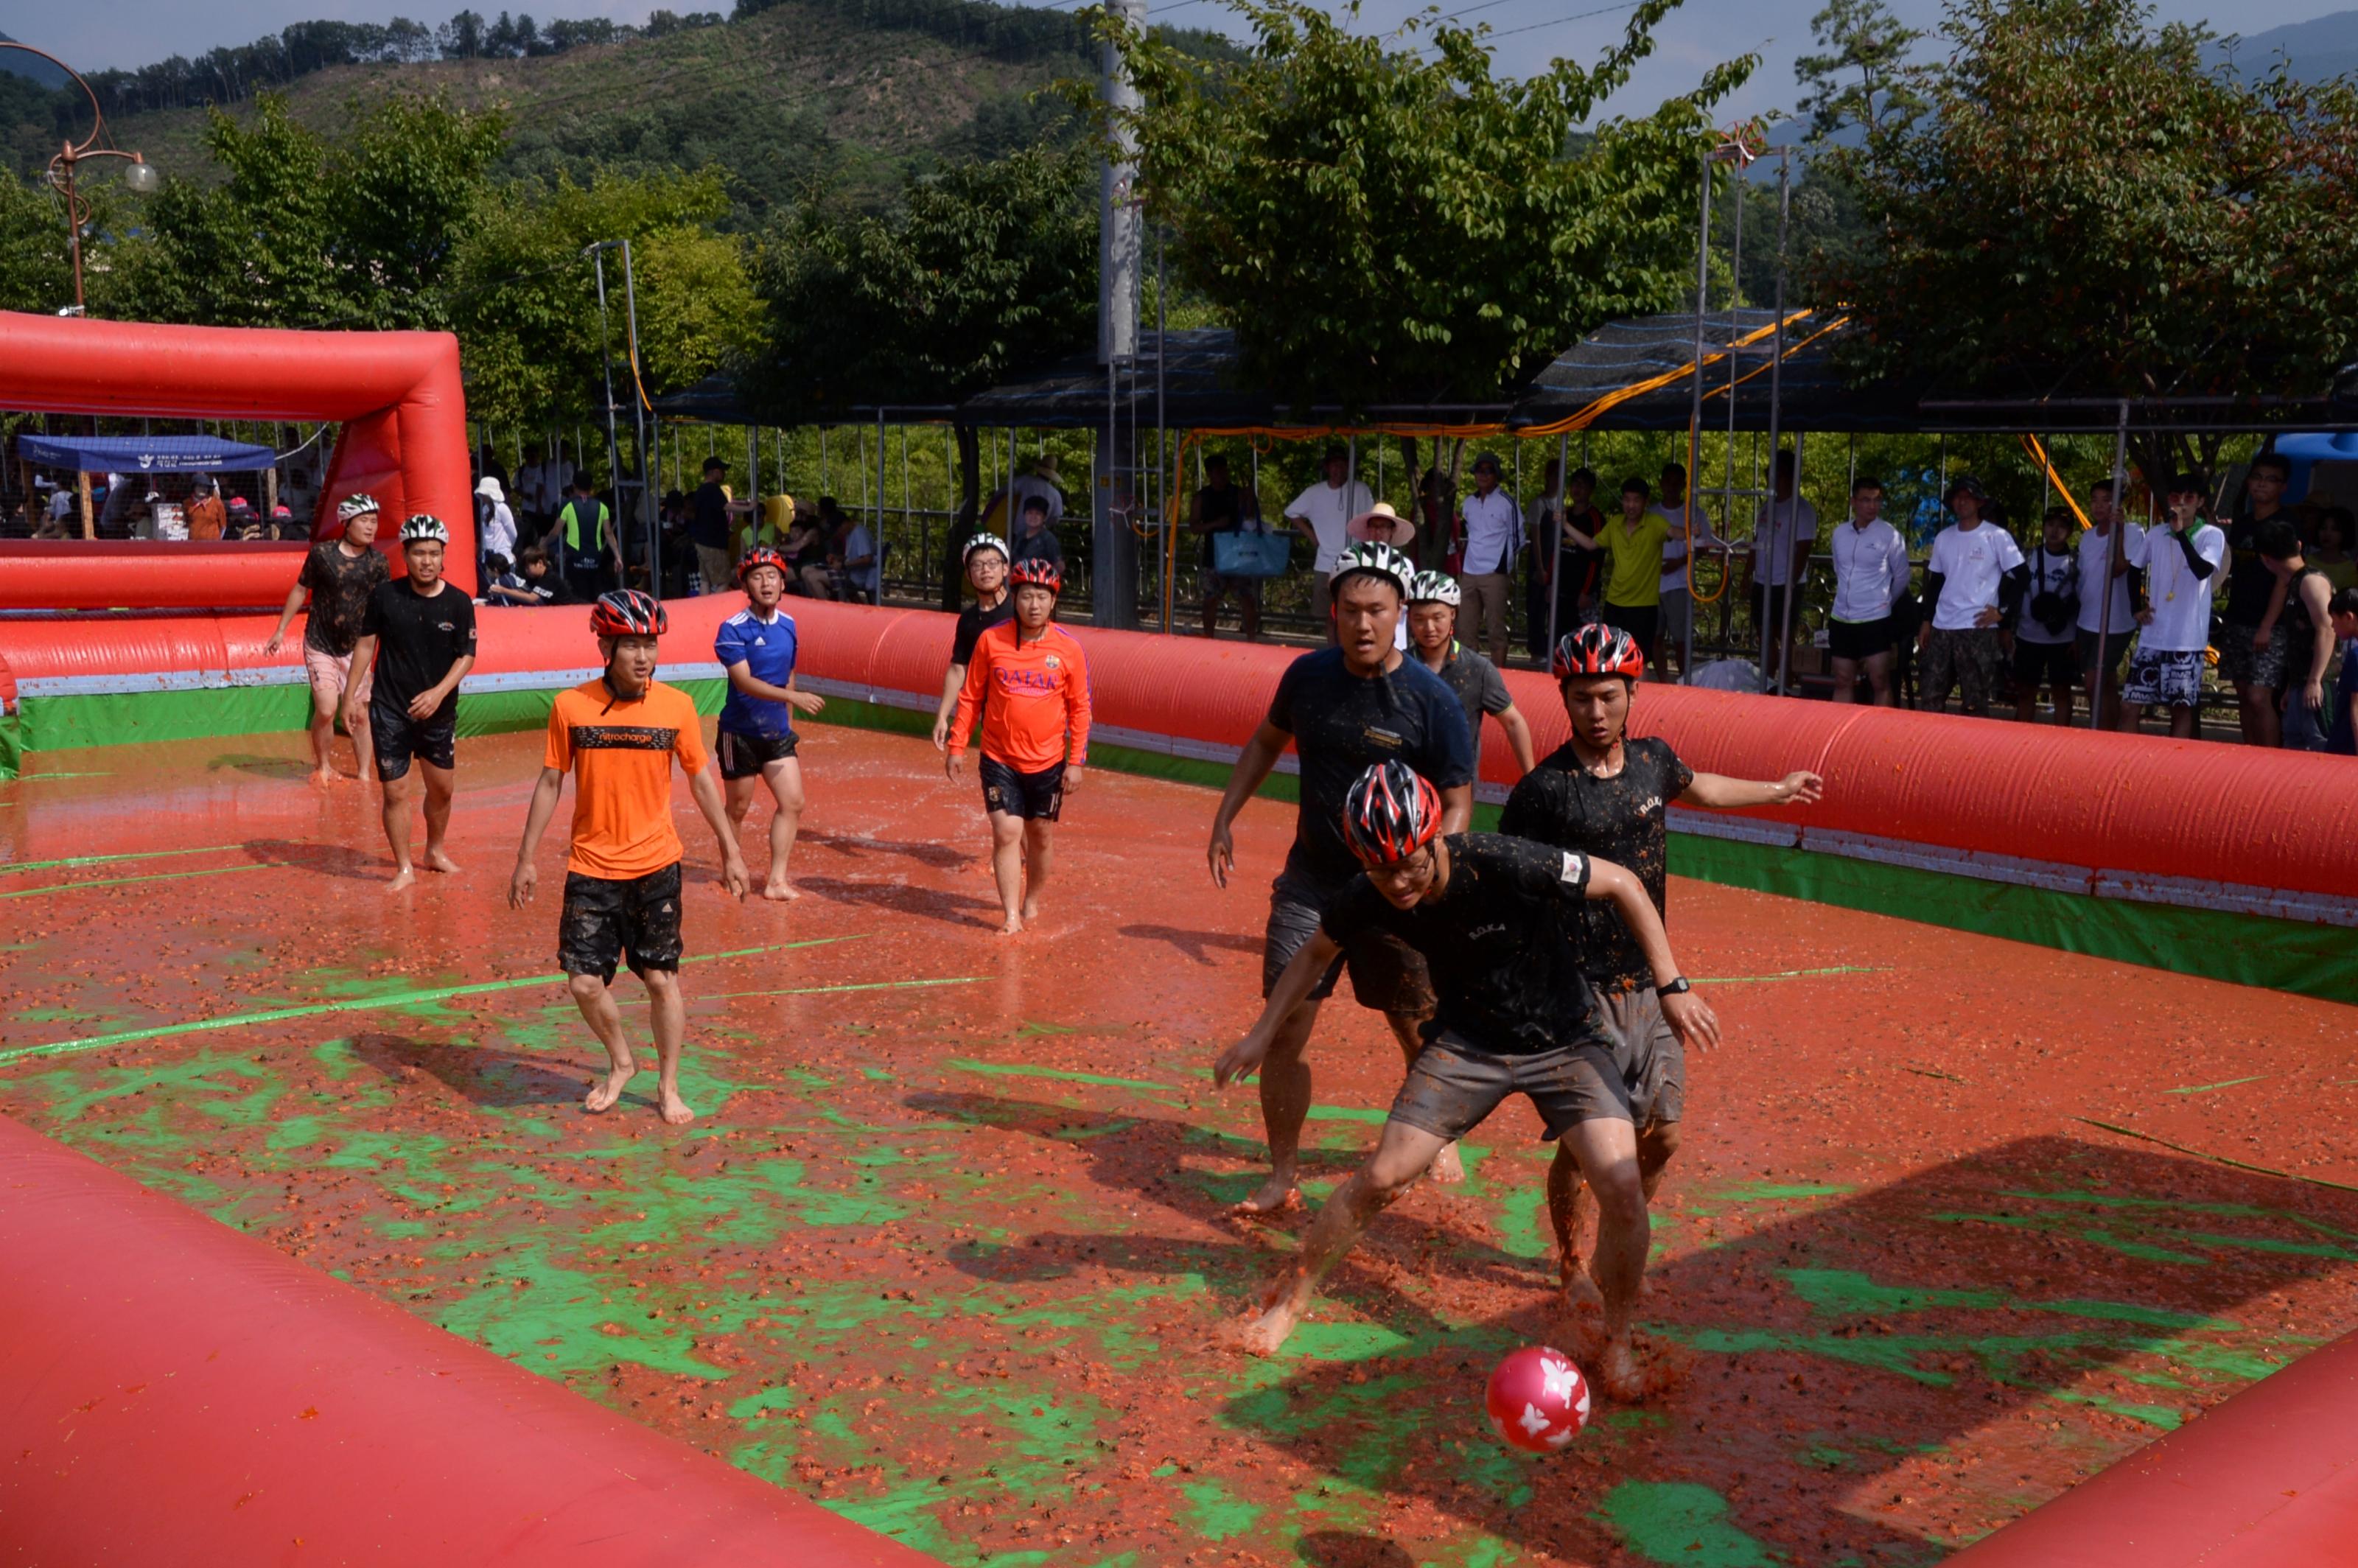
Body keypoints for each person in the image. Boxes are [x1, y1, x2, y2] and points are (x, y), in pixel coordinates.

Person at [1214, 760, 1722, 1391]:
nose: (1398, 881)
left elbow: (1623, 884)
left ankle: (1618, 1342)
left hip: (1565, 1038)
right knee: (1382, 1175)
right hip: (1468, 1044)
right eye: (1380, 867)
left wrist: (1672, 985)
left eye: (1410, 862)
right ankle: (1288, 1303)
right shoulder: (1368, 890)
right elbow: (1317, 951)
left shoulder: (1501, 860)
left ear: (1434, 837)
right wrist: (1262, 1033)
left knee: (1620, 1185)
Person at [1500, 624, 1820, 1366]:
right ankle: (1574, 1257)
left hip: (1650, 987)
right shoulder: (1543, 790)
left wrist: (1775, 790)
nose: (1595, 711)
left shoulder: (1652, 761)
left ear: (1632, 694)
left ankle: (1622, 1222)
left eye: (1608, 696)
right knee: (1588, 1156)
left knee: (1664, 1136)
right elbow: (1510, 882)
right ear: (1564, 700)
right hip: (1575, 998)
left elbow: (1701, 786)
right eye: (1580, 698)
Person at [1204, 542, 1477, 1214]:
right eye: (1351, 610)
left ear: (1401, 613)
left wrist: (1435, 872)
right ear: (1333, 612)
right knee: (1288, 1026)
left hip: (1398, 891)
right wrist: (1225, 815)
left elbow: (1459, 794)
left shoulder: (1432, 700)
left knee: (1414, 1026)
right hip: (1313, 882)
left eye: (1377, 611)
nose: (1363, 624)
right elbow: (1269, 739)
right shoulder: (1306, 678)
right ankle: (1282, 1173)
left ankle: (1437, 1132)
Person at [508, 589, 749, 1125]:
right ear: (605, 646)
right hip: (591, 867)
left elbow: (703, 783)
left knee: (662, 979)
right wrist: (526, 858)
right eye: (631, 646)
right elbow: (551, 781)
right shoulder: (571, 707)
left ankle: (668, 1086)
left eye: (650, 645)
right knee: (584, 982)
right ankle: (622, 1061)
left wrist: (731, 851)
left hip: (657, 865)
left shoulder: (677, 707)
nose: (643, 657)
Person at [945, 558, 1092, 935]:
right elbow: (971, 696)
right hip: (999, 757)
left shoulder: (1069, 649)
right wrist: (957, 745)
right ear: (1015, 598)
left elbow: (1080, 708)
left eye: (1042, 597)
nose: (1034, 605)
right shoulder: (991, 640)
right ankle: (1010, 915)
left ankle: (1032, 900)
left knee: (1040, 834)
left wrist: (1075, 761)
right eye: (1027, 596)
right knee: (1007, 832)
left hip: (1048, 762)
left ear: (1053, 602)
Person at [344, 516, 478, 892]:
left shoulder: (458, 602)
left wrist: (438, 693)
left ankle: (434, 851)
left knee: (443, 790)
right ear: (405, 555)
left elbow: (466, 656)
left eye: (434, 554)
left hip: (439, 711)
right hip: (389, 708)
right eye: (419, 553)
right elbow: (366, 645)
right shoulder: (385, 596)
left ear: (443, 557)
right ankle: (404, 866)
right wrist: (350, 695)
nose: (427, 561)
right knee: (395, 792)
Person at [716, 546, 826, 898]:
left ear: (782, 583)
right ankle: (732, 868)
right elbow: (745, 682)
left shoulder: (790, 625)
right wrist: (792, 698)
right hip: (740, 733)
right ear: (746, 586)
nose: (766, 583)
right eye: (757, 577)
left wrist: (789, 722)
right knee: (737, 808)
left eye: (773, 576)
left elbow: (788, 674)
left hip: (776, 732)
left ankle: (776, 881)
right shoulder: (732, 629)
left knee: (793, 803)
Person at [264, 494, 391, 785]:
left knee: (359, 711)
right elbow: (300, 590)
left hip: (357, 646)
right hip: (320, 641)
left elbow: (384, 604)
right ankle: (323, 765)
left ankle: (363, 775)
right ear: (347, 522)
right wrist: (281, 629)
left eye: (374, 521)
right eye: (365, 521)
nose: (371, 527)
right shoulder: (323, 555)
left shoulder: (379, 562)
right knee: (326, 708)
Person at [2119, 474, 2226, 739]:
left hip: (2186, 639)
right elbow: (2134, 570)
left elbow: (2203, 571)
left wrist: (2181, 535)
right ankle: (2128, 760)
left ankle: (2174, 768)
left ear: (2200, 502)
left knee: (2179, 708)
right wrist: (2136, 607)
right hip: (2153, 635)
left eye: (2189, 497)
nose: (2181, 503)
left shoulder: (2211, 535)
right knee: (2130, 704)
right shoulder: (2156, 534)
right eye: (2176, 497)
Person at [1405, 571, 1536, 779]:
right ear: (1409, 619)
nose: (1429, 628)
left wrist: (1532, 778)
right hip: (1404, 785)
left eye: (1437, 617)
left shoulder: (1477, 669)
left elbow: (1513, 723)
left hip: (1457, 789)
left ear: (1453, 615)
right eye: (1419, 619)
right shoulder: (1398, 665)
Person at [1916, 477, 2027, 717]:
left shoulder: (1997, 536)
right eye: (1957, 497)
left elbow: (2022, 576)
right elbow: (1935, 582)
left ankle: (1970, 752)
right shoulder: (1944, 537)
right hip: (1942, 625)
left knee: (1974, 700)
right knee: (1930, 693)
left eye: (1968, 497)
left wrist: (2002, 612)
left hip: (1977, 625)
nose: (1962, 502)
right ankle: (1927, 749)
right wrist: (1926, 620)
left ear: (1979, 502)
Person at [2221, 454, 2296, 746]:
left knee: (2259, 695)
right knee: (2241, 692)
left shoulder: (2286, 525)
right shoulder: (2241, 524)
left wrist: (2267, 625)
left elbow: (2284, 577)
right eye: (2258, 477)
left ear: (2283, 487)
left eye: (2271, 479)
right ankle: (2249, 758)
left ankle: (2270, 762)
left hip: (2271, 625)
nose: (2262, 484)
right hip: (2237, 617)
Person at [1826, 476, 1912, 706]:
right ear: (1853, 502)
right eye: (1866, 500)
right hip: (1842, 618)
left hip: (1876, 619)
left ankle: (1881, 736)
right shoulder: (1839, 533)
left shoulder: (1889, 534)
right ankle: (1839, 736)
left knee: (1880, 680)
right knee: (1843, 679)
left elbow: (1903, 575)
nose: (1872, 506)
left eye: (1876, 500)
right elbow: (1839, 568)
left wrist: (1885, 602)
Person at [1743, 451, 1817, 693]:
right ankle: (1768, 682)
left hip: (1784, 582)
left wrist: (1791, 583)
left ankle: (1785, 685)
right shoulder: (1767, 506)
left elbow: (1803, 550)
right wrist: (1747, 574)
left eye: (1774, 473)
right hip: (1762, 580)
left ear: (1788, 476)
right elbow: (1757, 541)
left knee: (1783, 634)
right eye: (1768, 473)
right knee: (1763, 634)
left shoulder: (1803, 510)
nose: (1769, 478)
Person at [2261, 522, 2337, 752]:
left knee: (2320, 744)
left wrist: (2315, 681)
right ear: (2299, 545)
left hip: (2320, 684)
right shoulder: (2293, 582)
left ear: (2265, 559)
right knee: (2294, 745)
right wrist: (2292, 687)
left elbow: (2327, 629)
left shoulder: (2311, 581)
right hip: (2299, 684)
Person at [933, 534, 1014, 749]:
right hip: (993, 718)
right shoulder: (968, 620)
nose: (985, 570)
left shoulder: (1022, 611)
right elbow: (959, 668)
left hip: (1030, 714)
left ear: (1005, 569)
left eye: (992, 563)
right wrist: (942, 716)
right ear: (969, 575)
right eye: (977, 565)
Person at [2077, 480, 2144, 729]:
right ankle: (2108, 732)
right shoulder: (2086, 537)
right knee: (2103, 684)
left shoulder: (2134, 532)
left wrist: (2120, 531)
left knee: (2094, 682)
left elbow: (2118, 568)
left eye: (2106, 500)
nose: (2099, 506)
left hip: (2116, 622)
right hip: (2087, 619)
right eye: (2095, 500)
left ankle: (2099, 734)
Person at [1285, 447, 1374, 623]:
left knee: (1352, 612)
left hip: (1355, 561)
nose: (1338, 469)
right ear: (1327, 468)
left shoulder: (1361, 490)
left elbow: (1371, 520)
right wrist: (1311, 536)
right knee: (1329, 616)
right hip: (1326, 562)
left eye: (1342, 465)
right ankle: (1333, 648)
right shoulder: (1314, 492)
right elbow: (1291, 512)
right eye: (1334, 465)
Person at [2012, 506, 2082, 726]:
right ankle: (2021, 739)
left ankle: (2060, 740)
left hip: (2063, 638)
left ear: (2070, 532)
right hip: (2028, 635)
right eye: (2050, 524)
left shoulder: (2076, 561)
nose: (2055, 530)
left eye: (2062, 526)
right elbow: (2014, 591)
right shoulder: (2028, 556)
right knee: (2025, 691)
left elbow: (2083, 601)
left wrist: (2078, 638)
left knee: (2061, 691)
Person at [1588, 478, 1670, 664]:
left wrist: (1692, 531)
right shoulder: (1616, 522)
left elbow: (1675, 533)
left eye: (1636, 500)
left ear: (1645, 502)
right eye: (1627, 500)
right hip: (1615, 601)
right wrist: (1565, 525)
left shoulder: (1655, 523)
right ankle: (1615, 692)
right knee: (1610, 657)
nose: (1631, 505)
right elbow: (1591, 544)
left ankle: (1642, 693)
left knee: (1639, 659)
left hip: (1643, 605)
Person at [1655, 463, 1721, 679]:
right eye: (1668, 482)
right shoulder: (1651, 512)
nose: (1672, 487)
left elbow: (1704, 546)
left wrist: (1681, 561)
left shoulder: (1695, 513)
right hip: (1652, 583)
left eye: (1677, 483)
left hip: (1681, 584)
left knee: (1681, 639)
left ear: (1684, 485)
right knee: (1654, 637)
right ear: (1661, 483)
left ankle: (1684, 680)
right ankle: (1662, 681)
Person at [1453, 451, 1519, 665]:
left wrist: (1504, 566)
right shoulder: (1468, 503)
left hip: (1495, 574)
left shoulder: (1507, 503)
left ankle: (1500, 678)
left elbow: (1518, 538)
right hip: (1469, 572)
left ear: (1496, 474)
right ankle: (1469, 674)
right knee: (1464, 629)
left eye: (1488, 470)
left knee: (1496, 629)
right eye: (1478, 470)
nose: (1482, 475)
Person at [1193, 453, 1268, 641]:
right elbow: (1194, 527)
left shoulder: (1238, 492)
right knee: (1210, 600)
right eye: (1218, 471)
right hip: (1214, 556)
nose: (1223, 475)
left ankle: (1251, 639)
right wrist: (1215, 524)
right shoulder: (1201, 497)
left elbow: (1251, 516)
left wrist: (1250, 497)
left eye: (1225, 470)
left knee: (1247, 599)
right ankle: (1208, 637)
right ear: (1209, 473)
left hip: (1239, 556)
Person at [548, 475, 615, 599]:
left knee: (577, 594)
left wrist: (544, 542)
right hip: (595, 558)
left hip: (575, 557)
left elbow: (556, 532)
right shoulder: (602, 506)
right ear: (591, 488)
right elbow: (609, 533)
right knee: (593, 593)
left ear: (574, 486)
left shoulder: (567, 505)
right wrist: (618, 556)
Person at [690, 457, 735, 594]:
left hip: (702, 542)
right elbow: (725, 506)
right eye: (721, 471)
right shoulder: (713, 489)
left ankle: (703, 610)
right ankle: (715, 610)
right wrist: (750, 507)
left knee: (705, 580)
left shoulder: (700, 490)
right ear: (714, 472)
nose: (723, 474)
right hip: (714, 544)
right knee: (724, 580)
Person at [2326, 587, 2358, 756]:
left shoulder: (2356, 656)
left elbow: (2356, 707)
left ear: (2349, 617)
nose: (2332, 625)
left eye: (2334, 619)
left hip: (2347, 745)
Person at [487, 543, 571, 606]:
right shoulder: (535, 578)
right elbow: (522, 592)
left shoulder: (550, 577)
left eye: (528, 567)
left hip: (570, 609)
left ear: (540, 563)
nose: (526, 571)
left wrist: (503, 590)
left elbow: (531, 598)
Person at [1008, 454, 1066, 531]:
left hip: (1018, 530)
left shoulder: (1025, 481)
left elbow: (1005, 491)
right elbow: (1055, 518)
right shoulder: (1055, 494)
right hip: (1039, 533)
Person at [476, 475, 517, 577]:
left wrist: (507, 548)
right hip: (489, 559)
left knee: (505, 590)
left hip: (502, 560)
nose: (482, 496)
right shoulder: (485, 509)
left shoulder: (503, 509)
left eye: (484, 494)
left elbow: (513, 534)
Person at [2308, 506, 2356, 593]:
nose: (2327, 533)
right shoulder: (2308, 561)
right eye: (2323, 528)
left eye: (2334, 529)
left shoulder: (2349, 569)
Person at [1010, 495, 1063, 573]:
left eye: (1038, 514)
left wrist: (1046, 579)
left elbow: (1060, 566)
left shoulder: (1048, 538)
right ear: (1024, 515)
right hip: (1017, 580)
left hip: (1039, 582)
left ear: (1044, 517)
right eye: (1030, 513)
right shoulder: (1019, 536)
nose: (1033, 517)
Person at [184, 475, 227, 542]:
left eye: (205, 486)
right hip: (193, 544)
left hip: (212, 544)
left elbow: (223, 526)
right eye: (200, 486)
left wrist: (218, 541)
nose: (203, 489)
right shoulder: (187, 503)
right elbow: (186, 522)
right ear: (194, 488)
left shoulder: (217, 503)